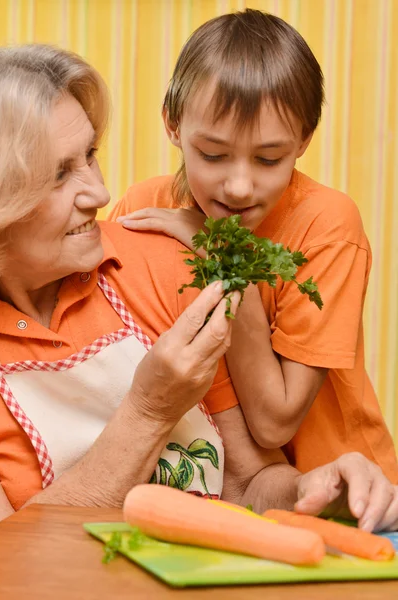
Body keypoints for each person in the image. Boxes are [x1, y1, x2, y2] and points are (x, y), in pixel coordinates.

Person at [0, 45, 396, 549]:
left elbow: (248, 483)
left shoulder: (170, 267)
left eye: (90, 156)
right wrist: (148, 410)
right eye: (58, 175)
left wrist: (311, 490)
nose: (98, 193)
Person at [109, 9, 398, 499]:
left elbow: (274, 422)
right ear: (174, 125)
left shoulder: (328, 225)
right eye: (214, 154)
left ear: (303, 141)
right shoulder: (143, 207)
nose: (239, 186)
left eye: (268, 159)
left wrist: (219, 253)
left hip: (339, 498)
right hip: (218, 492)